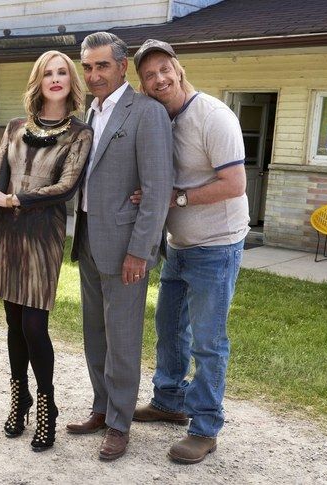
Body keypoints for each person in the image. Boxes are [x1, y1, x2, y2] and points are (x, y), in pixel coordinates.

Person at [132, 39, 248, 464]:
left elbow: (235, 184)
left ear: (179, 69)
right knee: (169, 329)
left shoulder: (213, 116)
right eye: (149, 74)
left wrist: (175, 199)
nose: (159, 78)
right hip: (178, 247)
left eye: (165, 69)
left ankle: (205, 427)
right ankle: (169, 401)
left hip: (216, 247)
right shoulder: (160, 118)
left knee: (208, 341)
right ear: (142, 84)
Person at [0, 51, 92, 451]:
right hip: (7, 234)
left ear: (70, 82)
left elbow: (66, 188)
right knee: (13, 323)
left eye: (62, 73)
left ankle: (46, 406)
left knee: (34, 326)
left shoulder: (80, 134)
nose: (55, 79)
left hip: (43, 236)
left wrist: (14, 200)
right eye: (47, 73)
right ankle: (19, 397)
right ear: (38, 81)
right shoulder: (14, 128)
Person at [65, 32, 173, 461]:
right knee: (95, 332)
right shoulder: (89, 112)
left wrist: (140, 251)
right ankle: (101, 407)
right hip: (88, 237)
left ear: (122, 66)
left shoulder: (147, 113)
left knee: (123, 338)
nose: (93, 75)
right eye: (87, 67)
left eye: (102, 66)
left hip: (126, 245)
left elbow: (157, 189)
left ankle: (120, 423)